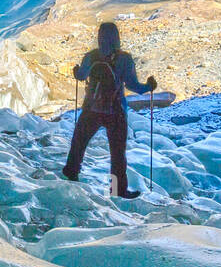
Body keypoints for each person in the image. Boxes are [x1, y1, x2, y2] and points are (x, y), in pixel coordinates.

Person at [62, 21, 156, 198]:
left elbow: (81, 76)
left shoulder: (90, 57)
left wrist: (76, 72)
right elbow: (133, 85)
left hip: (91, 109)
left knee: (79, 143)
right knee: (117, 154)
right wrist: (149, 86)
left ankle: (71, 171)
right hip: (116, 111)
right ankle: (118, 190)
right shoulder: (124, 59)